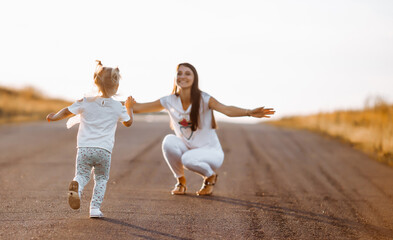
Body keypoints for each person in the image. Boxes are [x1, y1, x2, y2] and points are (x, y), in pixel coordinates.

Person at [132, 63, 275, 196]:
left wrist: (249, 112)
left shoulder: (204, 99)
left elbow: (226, 110)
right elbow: (138, 108)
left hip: (211, 154)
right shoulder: (169, 100)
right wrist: (119, 103)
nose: (183, 76)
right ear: (175, 78)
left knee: (188, 159)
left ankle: (210, 176)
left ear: (194, 78)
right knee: (168, 141)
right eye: (179, 73)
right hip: (188, 149)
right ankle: (180, 182)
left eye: (187, 74)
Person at [46, 61, 135, 218]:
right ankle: (94, 208)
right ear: (116, 86)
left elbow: (67, 111)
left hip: (84, 149)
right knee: (101, 179)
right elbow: (128, 122)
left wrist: (54, 117)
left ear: (96, 82)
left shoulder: (86, 101)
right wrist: (129, 107)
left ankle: (78, 188)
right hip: (104, 151)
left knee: (81, 175)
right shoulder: (117, 106)